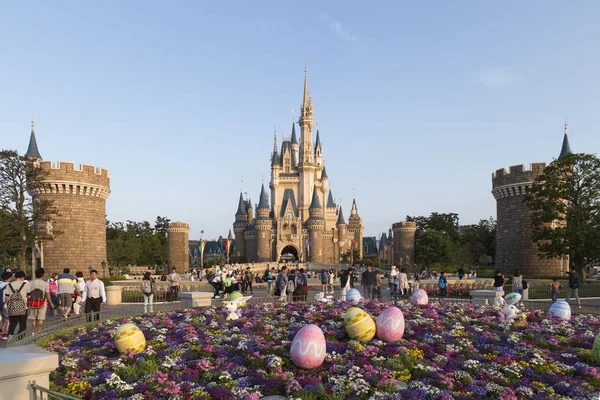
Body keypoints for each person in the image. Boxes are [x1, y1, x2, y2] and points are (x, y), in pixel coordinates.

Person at [27, 268, 53, 335]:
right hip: (42, 302)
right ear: (43, 275)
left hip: (32, 302)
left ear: (35, 274)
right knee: (40, 318)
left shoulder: (31, 282)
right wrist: (50, 302)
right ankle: (39, 332)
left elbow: (28, 292)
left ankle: (33, 332)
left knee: (33, 318)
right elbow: (47, 294)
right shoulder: (45, 283)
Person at [5, 271, 28, 337]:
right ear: (22, 277)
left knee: (12, 323)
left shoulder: (9, 285)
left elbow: (7, 297)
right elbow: (29, 296)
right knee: (22, 325)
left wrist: (8, 306)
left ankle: (10, 335)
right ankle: (20, 339)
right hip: (23, 308)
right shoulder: (26, 284)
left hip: (12, 307)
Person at [0, 271, 13, 339]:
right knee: (8, 320)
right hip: (6, 305)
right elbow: (7, 297)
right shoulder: (9, 285)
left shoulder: (0, 284)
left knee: (2, 319)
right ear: (9, 278)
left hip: (0, 305)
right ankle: (5, 334)